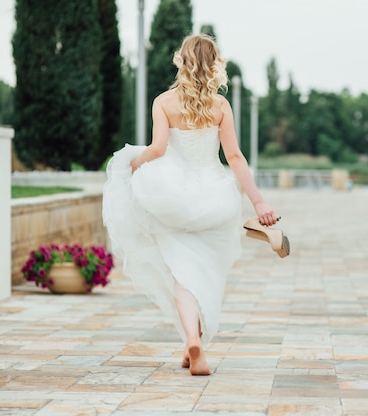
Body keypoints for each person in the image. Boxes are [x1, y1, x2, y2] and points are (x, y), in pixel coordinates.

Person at [102, 34, 279, 376]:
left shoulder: (164, 102)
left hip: (172, 197)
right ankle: (193, 342)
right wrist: (258, 202)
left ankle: (192, 340)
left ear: (180, 61)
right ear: (215, 65)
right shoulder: (221, 106)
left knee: (181, 272)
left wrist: (132, 166)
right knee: (205, 269)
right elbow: (235, 157)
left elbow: (157, 149)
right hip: (213, 198)